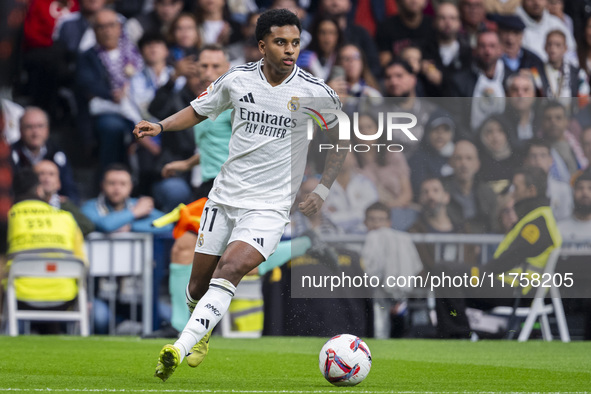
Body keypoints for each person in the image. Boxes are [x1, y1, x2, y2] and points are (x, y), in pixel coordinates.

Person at [133, 9, 346, 381]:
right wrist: (161, 126)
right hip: (225, 197)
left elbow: (340, 140)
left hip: (269, 206)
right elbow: (198, 110)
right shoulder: (237, 80)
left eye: (295, 43)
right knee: (197, 285)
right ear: (262, 46)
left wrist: (324, 188)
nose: (289, 50)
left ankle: (179, 347)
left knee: (230, 268)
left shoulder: (314, 91)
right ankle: (203, 331)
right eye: (281, 42)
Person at [435, 166, 562, 338]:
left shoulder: (537, 223)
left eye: (516, 188)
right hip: (509, 287)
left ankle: (457, 336)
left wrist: (480, 273)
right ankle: (458, 334)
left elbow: (509, 259)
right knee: (447, 273)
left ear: (531, 191)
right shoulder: (536, 218)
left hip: (516, 290)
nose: (513, 193)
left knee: (446, 272)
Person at [6, 169, 86, 334]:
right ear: (38, 190)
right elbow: (83, 263)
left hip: (19, 295)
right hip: (64, 296)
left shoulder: (7, 218)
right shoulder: (67, 218)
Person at [361, 202, 422, 339]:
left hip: (395, 296)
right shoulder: (358, 244)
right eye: (372, 219)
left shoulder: (399, 241)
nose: (377, 224)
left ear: (389, 222)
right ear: (365, 222)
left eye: (381, 220)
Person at [10, 107, 79, 203]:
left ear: (47, 129)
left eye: (40, 126)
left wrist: (67, 202)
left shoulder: (57, 154)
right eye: (29, 127)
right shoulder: (9, 154)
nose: (35, 132)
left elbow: (70, 191)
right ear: (20, 130)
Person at [81, 163, 172, 234]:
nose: (117, 188)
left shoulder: (137, 204)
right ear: (102, 186)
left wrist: (131, 227)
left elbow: (167, 224)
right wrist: (135, 212)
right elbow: (105, 225)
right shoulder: (89, 207)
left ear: (130, 187)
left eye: (123, 184)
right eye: (112, 183)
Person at [443, 139, 498, 233]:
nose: (464, 163)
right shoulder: (440, 189)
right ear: (451, 162)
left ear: (477, 164)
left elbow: (493, 226)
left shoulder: (488, 193)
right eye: (458, 158)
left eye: (469, 158)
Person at [34, 160, 95, 236]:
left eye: (51, 174)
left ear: (58, 183)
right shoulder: (24, 203)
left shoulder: (65, 205)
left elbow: (87, 226)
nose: (46, 178)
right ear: (33, 180)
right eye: (41, 174)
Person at [523, 139, 574, 221]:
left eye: (543, 155)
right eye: (533, 156)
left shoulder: (563, 189)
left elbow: (565, 219)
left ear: (551, 160)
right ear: (526, 161)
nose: (538, 160)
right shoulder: (516, 187)